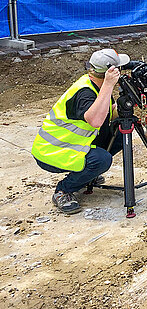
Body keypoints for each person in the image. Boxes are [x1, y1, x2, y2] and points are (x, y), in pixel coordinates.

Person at [31, 48, 130, 214]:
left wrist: (126, 106)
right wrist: (108, 85)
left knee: (120, 133)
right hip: (51, 152)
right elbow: (96, 120)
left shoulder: (96, 85)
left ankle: (85, 174)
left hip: (72, 145)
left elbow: (107, 114)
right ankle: (64, 190)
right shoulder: (85, 93)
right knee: (101, 160)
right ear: (109, 73)